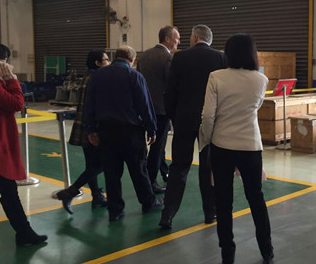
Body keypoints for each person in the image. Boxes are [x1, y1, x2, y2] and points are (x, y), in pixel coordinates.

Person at [200, 33, 273, 264]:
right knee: (256, 198)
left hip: (222, 145)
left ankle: (227, 254)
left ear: (228, 53)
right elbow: (254, 108)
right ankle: (267, 249)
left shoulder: (216, 77)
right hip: (251, 146)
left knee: (223, 201)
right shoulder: (261, 79)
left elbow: (208, 116)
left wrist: (207, 139)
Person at [83, 45, 162, 221]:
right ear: (132, 60)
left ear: (116, 56)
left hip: (106, 131)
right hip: (131, 132)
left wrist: (91, 129)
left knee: (111, 173)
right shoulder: (134, 76)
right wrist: (152, 129)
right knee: (138, 170)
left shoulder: (97, 76)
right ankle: (148, 202)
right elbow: (145, 105)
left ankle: (115, 210)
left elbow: (89, 104)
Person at [0, 42, 48, 247]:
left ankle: (25, 233)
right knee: (9, 193)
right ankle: (25, 233)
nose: (8, 66)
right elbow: (16, 103)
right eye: (5, 61)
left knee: (10, 193)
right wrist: (11, 80)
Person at [159, 25, 227, 229]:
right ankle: (210, 212)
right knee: (208, 167)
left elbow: (170, 91)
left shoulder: (180, 58)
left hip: (184, 119)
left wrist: (174, 117)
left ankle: (168, 214)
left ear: (195, 37)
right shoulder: (221, 58)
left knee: (179, 167)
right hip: (210, 121)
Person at [56, 50, 110, 214]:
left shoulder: (87, 77)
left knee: (91, 164)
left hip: (84, 126)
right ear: (98, 63)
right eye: (106, 59)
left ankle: (96, 196)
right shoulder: (98, 78)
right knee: (103, 163)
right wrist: (96, 130)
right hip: (93, 128)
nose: (109, 62)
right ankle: (71, 191)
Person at [137, 26, 181, 195]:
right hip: (161, 109)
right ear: (167, 39)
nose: (178, 42)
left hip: (144, 108)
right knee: (157, 147)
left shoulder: (144, 56)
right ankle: (151, 181)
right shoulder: (167, 58)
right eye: (176, 38)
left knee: (156, 145)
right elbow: (171, 85)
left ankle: (163, 171)